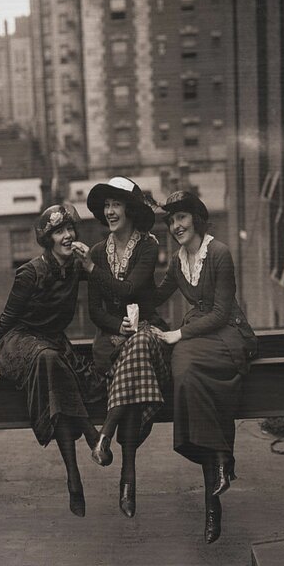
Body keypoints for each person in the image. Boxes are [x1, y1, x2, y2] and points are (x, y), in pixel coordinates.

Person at [0, 204, 106, 518]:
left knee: (56, 381)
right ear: (47, 239)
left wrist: (91, 264)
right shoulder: (30, 272)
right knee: (50, 361)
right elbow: (7, 318)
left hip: (51, 342)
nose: (67, 236)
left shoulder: (76, 267)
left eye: (69, 230)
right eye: (58, 232)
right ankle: (92, 433)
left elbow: (108, 286)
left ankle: (74, 479)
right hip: (18, 341)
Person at [150, 191, 257, 544]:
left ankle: (213, 505)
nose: (176, 226)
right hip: (196, 335)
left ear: (196, 218)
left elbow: (222, 313)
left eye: (181, 218)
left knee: (197, 373)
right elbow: (153, 295)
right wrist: (101, 275)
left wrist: (177, 333)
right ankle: (222, 461)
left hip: (227, 333)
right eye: (171, 221)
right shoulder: (178, 261)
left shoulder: (220, 254)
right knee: (183, 375)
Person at [71, 176, 169, 518]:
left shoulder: (149, 246)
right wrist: (117, 326)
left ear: (130, 209)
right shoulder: (98, 251)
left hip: (147, 331)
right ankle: (128, 480)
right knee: (132, 356)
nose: (110, 211)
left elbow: (129, 291)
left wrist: (92, 270)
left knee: (140, 343)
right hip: (112, 340)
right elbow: (96, 310)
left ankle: (105, 436)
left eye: (117, 204)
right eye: (107, 206)